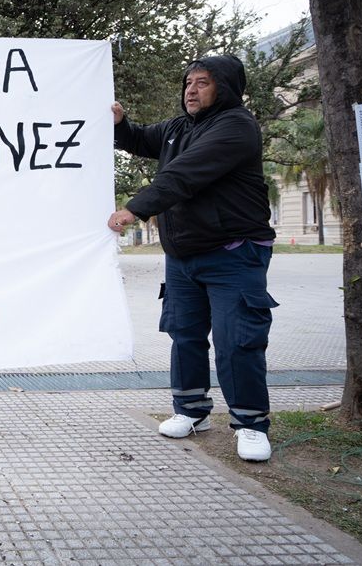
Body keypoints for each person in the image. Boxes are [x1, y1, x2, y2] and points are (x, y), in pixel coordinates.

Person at [109, 54, 278, 462]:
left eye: (202, 82)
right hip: (183, 257)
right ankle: (191, 410)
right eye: (188, 82)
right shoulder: (177, 128)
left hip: (233, 254)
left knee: (237, 340)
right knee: (184, 334)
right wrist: (120, 125)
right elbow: (139, 139)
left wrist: (136, 208)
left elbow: (185, 173)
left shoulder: (236, 127)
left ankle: (251, 423)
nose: (191, 90)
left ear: (225, 87)